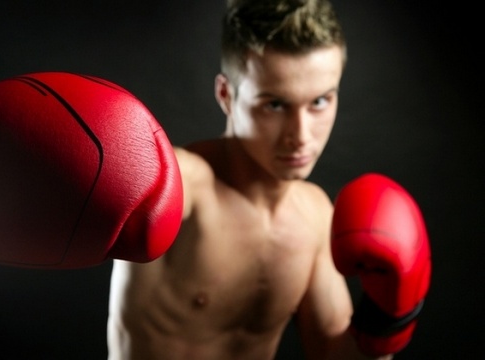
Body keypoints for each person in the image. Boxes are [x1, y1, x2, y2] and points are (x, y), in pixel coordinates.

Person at [106, 0, 395, 359]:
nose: (301, 135)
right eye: (274, 105)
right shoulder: (178, 185)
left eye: (320, 101)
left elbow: (336, 354)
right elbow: (117, 190)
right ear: (226, 95)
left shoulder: (316, 215)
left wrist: (388, 318)